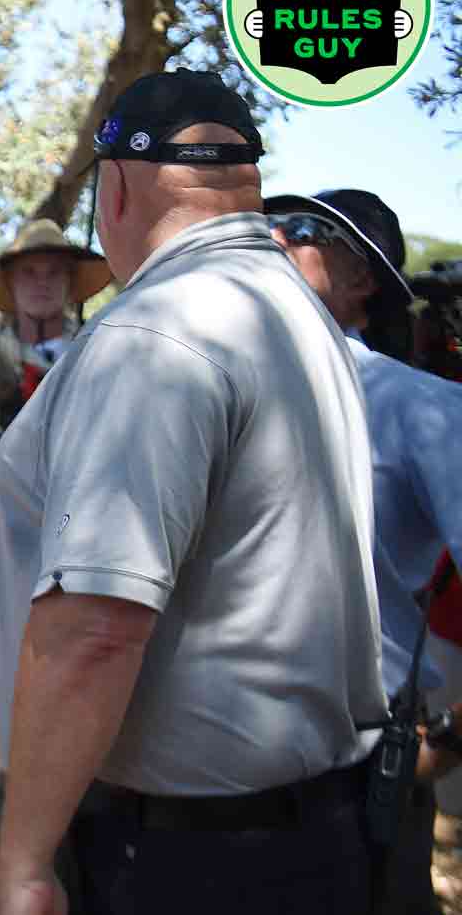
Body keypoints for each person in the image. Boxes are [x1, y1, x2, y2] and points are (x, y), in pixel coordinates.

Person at [0, 70, 385, 915]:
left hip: (186, 858)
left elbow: (95, 626)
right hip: (319, 833)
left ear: (119, 187)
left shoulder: (152, 333)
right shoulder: (297, 314)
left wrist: (23, 863)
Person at [265, 188, 462, 915]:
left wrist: (449, 740)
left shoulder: (422, 408)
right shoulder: (202, 384)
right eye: (268, 222)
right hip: (203, 793)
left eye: (305, 229)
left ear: (363, 280)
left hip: (360, 772)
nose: (275, 235)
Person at [0, 220, 112, 424]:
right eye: (29, 272)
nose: (42, 283)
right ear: (10, 282)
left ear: (69, 282)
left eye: (54, 272)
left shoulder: (99, 353)